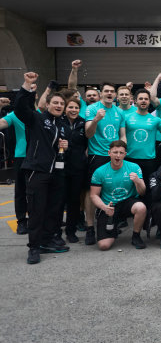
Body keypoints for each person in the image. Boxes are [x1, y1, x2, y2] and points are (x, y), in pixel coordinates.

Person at [15, 72, 70, 264]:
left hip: (57, 173)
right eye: (55, 103)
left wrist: (65, 146)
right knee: (37, 210)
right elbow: (21, 108)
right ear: (47, 105)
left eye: (61, 104)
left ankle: (48, 239)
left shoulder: (63, 125)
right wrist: (27, 85)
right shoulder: (37, 119)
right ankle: (34, 247)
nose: (58, 106)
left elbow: (62, 147)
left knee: (54, 210)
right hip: (37, 171)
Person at [84, 82, 127, 245]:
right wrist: (96, 119)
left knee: (114, 188)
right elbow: (88, 134)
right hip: (98, 155)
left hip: (115, 155)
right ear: (101, 93)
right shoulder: (92, 109)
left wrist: (122, 150)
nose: (109, 93)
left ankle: (112, 222)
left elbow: (122, 135)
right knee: (92, 191)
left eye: (112, 91)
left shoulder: (119, 112)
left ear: (115, 95)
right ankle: (90, 227)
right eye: (106, 91)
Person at [90, 140, 147, 250]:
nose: (118, 156)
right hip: (109, 206)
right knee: (104, 246)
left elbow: (142, 192)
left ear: (125, 154)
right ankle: (114, 229)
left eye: (121, 153)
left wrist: (138, 182)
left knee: (141, 207)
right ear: (109, 153)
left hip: (127, 202)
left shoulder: (134, 167)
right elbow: (93, 195)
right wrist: (104, 207)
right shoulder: (99, 171)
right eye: (115, 152)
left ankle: (136, 236)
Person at [62, 96, 88, 242]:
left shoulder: (83, 124)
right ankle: (54, 232)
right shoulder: (59, 122)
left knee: (74, 201)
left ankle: (71, 231)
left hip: (78, 168)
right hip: (60, 168)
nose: (73, 110)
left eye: (76, 108)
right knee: (58, 201)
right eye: (70, 107)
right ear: (65, 108)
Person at [0, 107, 27, 234]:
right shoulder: (14, 114)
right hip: (21, 156)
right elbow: (2, 123)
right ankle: (21, 221)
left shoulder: (41, 113)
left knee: (41, 191)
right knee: (21, 191)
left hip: (41, 157)